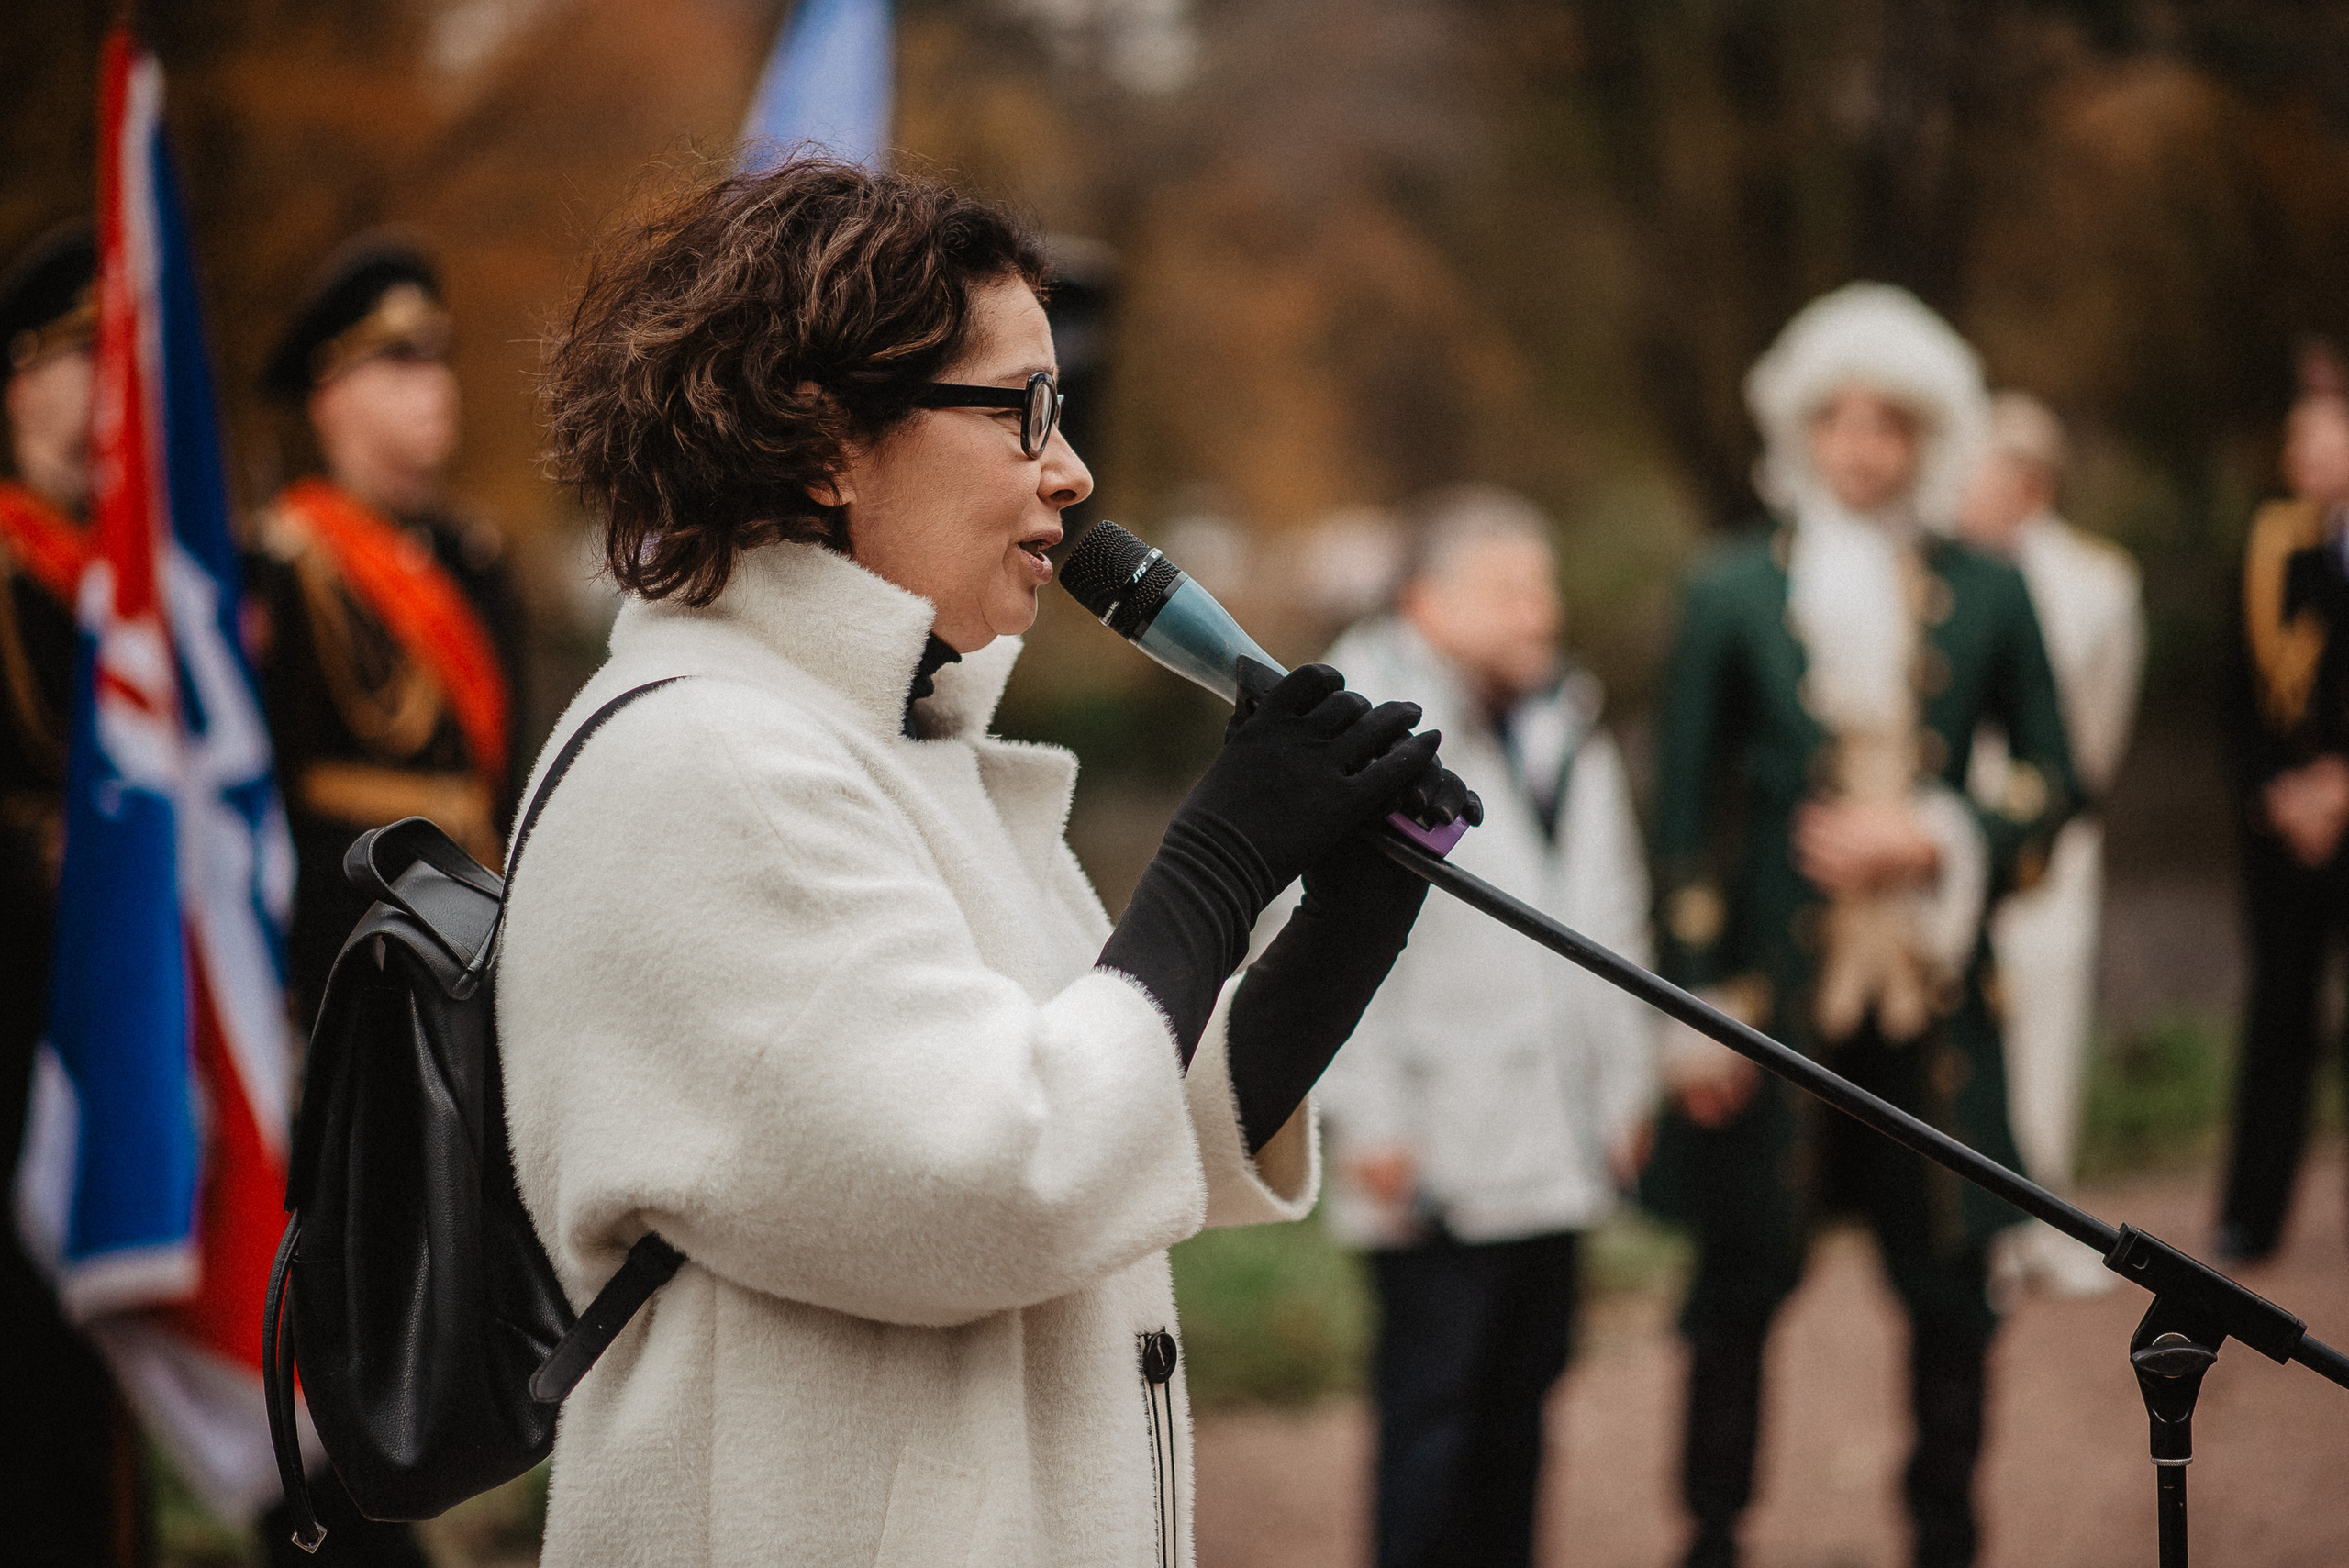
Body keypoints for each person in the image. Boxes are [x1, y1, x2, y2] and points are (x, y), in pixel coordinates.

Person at [504, 156, 1474, 1565]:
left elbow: (1117, 1128)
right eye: (1025, 412)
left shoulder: (888, 740)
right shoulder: (708, 762)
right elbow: (1003, 1173)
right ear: (826, 437)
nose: (1072, 473)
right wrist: (1213, 857)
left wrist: (1344, 921)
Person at [1644, 283, 2076, 1568]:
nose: (1862, 446)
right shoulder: (1726, 589)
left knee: (1952, 1290)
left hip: (1935, 999)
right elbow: (1683, 809)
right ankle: (1711, 1537)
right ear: (1802, 427)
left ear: (1927, 437)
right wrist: (1698, 1001)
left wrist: (1939, 836)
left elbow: (2058, 786)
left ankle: (1948, 1538)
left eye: (1889, 423)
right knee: (1736, 1282)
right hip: (1772, 997)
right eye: (1837, 419)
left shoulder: (1991, 589)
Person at [1304, 486, 1655, 1568]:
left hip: (1556, 1133)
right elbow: (1311, 939)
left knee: (1523, 1408)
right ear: (1425, 600)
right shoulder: (1353, 728)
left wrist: (1629, 1083)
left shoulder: (1565, 719)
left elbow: (1613, 906)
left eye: (1540, 587)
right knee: (1432, 1421)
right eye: (1507, 590)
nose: (1537, 612)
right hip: (1436, 1142)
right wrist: (1369, 1119)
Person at [249, 236, 526, 1027]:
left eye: (438, 360)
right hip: (352, 938)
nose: (436, 386)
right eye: (400, 364)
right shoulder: (284, 563)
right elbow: (267, 783)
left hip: (474, 926)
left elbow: (506, 778)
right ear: (329, 395)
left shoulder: (477, 560)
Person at [0, 218, 153, 1567]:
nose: (113, 384)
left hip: (107, 1004)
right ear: (18, 382)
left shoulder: (133, 580)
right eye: (79, 356)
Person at [1956, 394, 2143, 1296]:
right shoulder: (1939, 569)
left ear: (2028, 481)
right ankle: (1978, 1225)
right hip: (1950, 837)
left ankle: (2049, 1216)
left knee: (2053, 1013)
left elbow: (2100, 726)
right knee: (1972, 1018)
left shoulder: (2100, 583)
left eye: (1976, 465)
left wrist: (2061, 809)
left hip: (2055, 838)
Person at [2216, 345, 2349, 1264]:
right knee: (2277, 1014)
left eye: (2319, 427)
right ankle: (2251, 1213)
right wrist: (2282, 793)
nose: (2299, 446)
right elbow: (2235, 696)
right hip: (2288, 829)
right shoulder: (2274, 545)